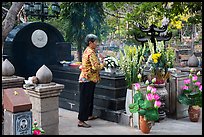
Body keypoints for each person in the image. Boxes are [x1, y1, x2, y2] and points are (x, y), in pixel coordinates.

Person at [77, 34, 106, 128]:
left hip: (88, 79)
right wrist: (103, 64)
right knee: (85, 100)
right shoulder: (91, 53)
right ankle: (81, 120)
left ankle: (88, 115)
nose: (97, 44)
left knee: (89, 99)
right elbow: (96, 67)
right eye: (95, 42)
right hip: (87, 79)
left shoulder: (88, 50)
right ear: (90, 42)